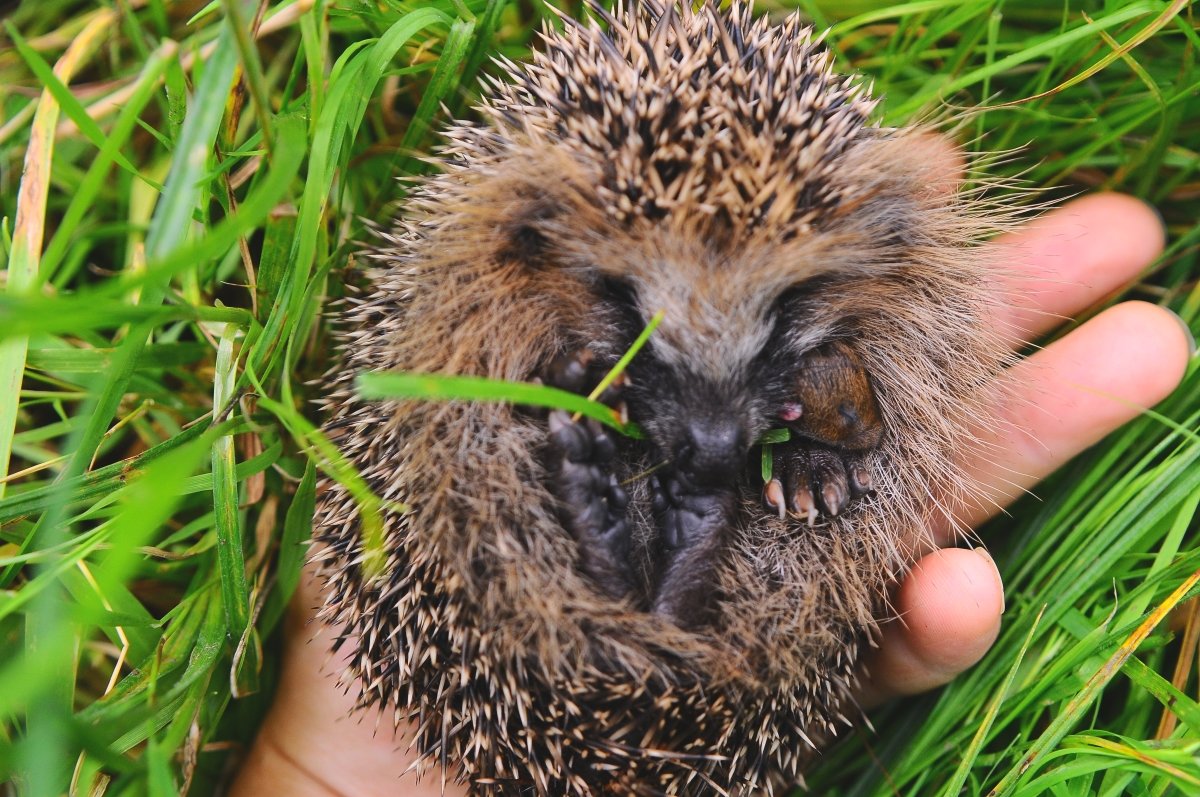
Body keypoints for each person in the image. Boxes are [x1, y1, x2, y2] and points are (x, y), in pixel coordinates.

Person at [230, 192, 1195, 795]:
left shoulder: (880, 264)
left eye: (776, 307)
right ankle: (652, 528)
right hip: (529, 599)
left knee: (802, 483)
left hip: (710, 614)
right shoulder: (513, 265)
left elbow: (868, 413)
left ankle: (647, 524)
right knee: (528, 456)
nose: (722, 429)